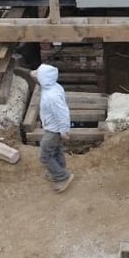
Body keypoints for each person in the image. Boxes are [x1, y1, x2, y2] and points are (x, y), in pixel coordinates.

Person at [34, 63, 74, 193]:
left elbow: (63, 114)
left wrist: (64, 131)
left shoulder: (52, 96)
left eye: (39, 75)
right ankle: (59, 170)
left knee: (44, 156)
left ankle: (62, 177)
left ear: (44, 79)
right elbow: (34, 74)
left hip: (54, 131)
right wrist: (33, 73)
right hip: (53, 128)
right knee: (56, 150)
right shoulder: (53, 86)